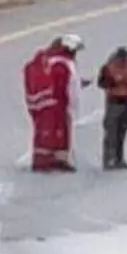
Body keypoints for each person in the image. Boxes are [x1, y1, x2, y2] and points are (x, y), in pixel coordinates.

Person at [27, 33, 84, 172]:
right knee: (54, 130)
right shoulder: (63, 64)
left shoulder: (49, 60)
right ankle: (46, 160)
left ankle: (53, 159)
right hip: (56, 103)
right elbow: (67, 87)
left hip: (47, 102)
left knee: (54, 130)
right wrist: (72, 104)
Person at [96, 46, 127, 169]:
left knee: (122, 132)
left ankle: (119, 158)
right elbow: (101, 82)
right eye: (121, 58)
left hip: (126, 102)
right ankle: (108, 159)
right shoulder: (108, 67)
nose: (123, 61)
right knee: (111, 132)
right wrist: (114, 82)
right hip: (113, 102)